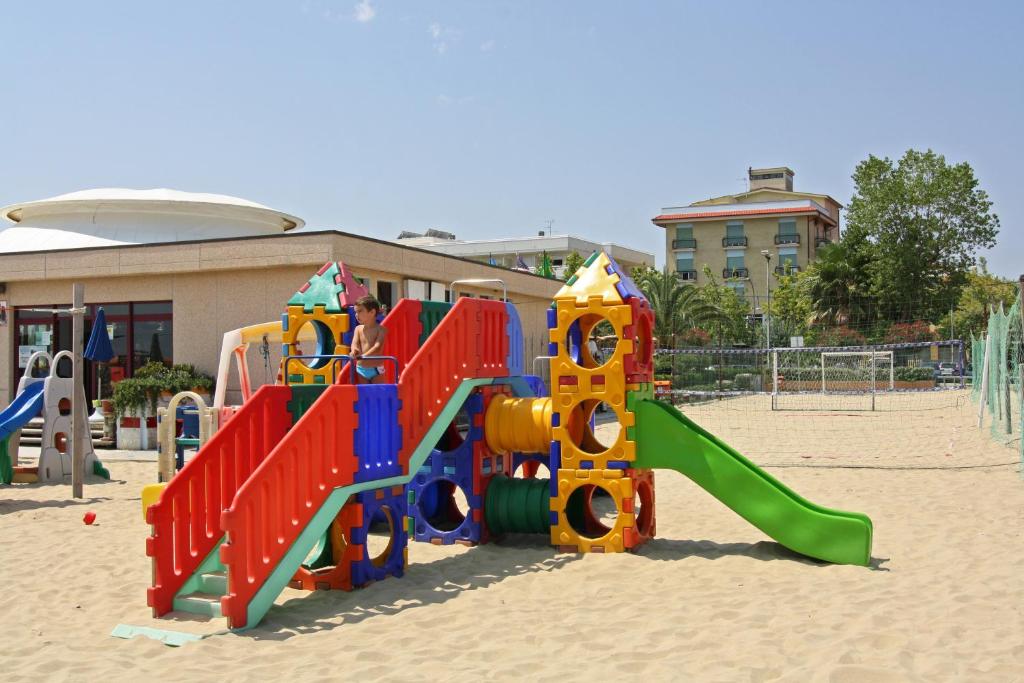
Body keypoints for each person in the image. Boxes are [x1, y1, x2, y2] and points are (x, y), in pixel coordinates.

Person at [351, 295, 388, 384]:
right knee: (364, 393)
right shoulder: (358, 329)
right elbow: (354, 343)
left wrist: (364, 356)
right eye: (355, 312)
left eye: (360, 311)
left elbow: (377, 347)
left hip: (375, 369)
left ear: (372, 312)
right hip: (361, 368)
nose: (356, 315)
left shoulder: (381, 329)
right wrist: (354, 351)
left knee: (377, 393)